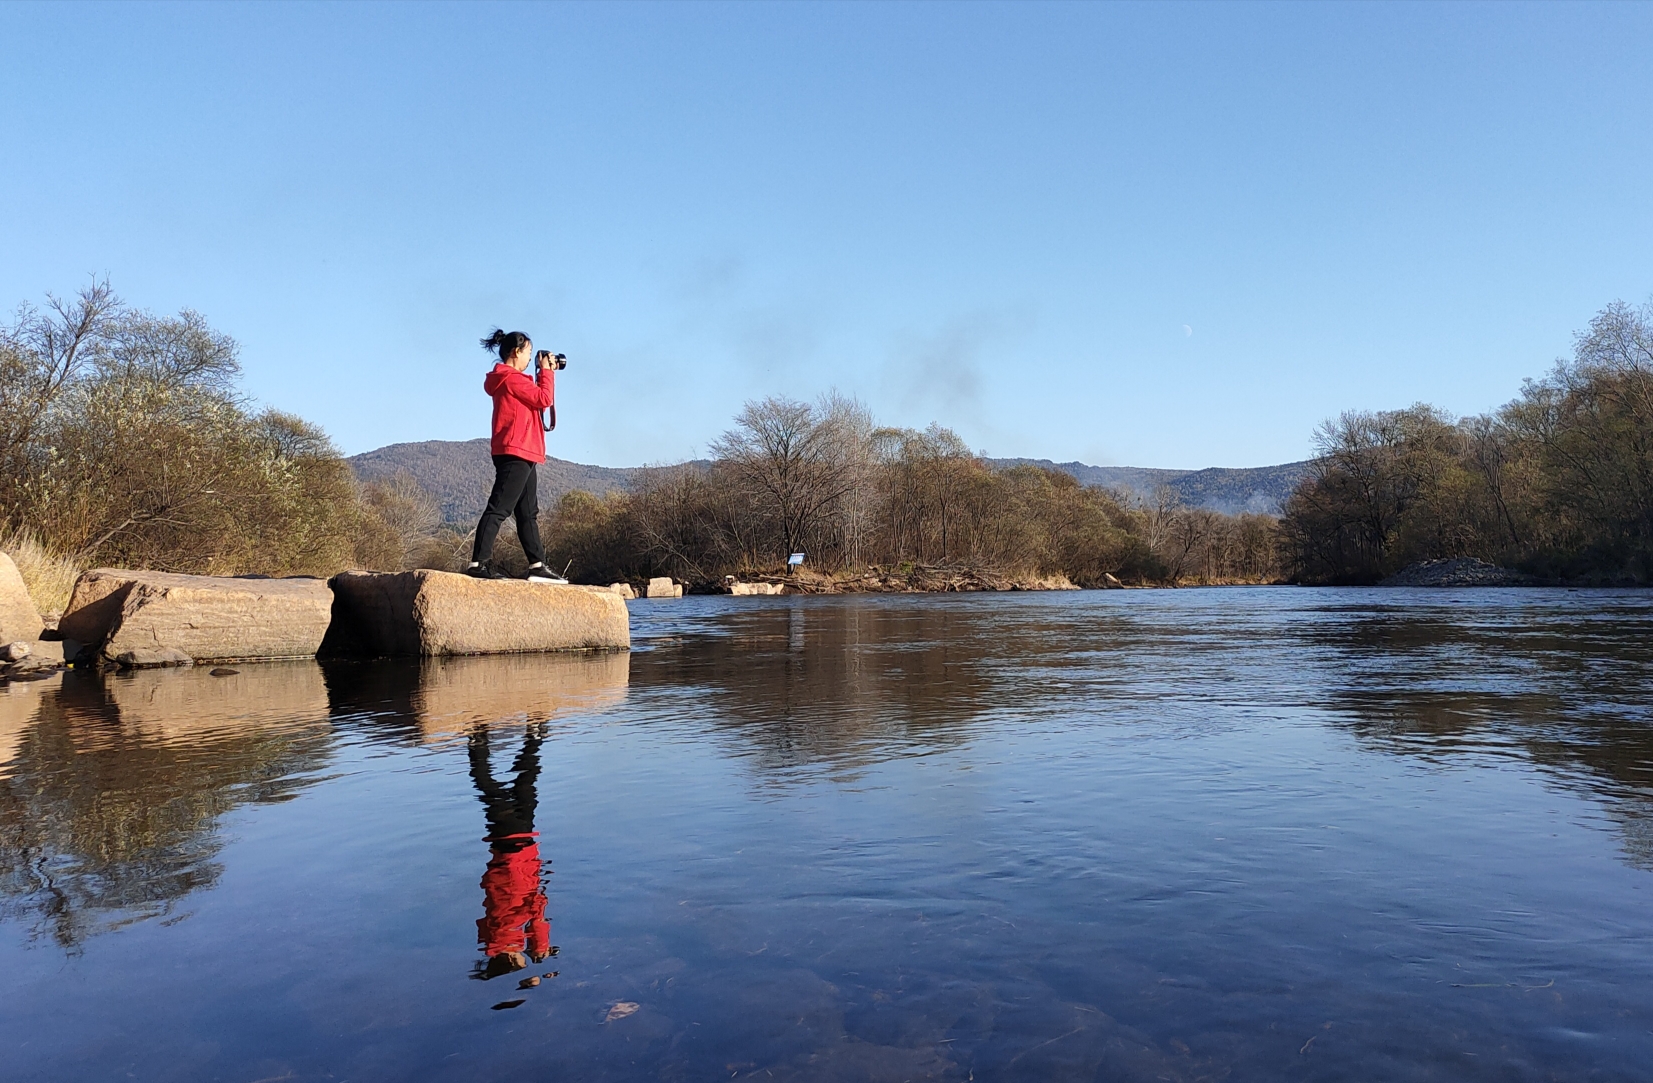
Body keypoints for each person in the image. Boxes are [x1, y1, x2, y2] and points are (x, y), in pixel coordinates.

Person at [467, 328, 566, 581]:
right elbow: (543, 399)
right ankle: (477, 565)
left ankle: (537, 566)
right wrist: (546, 372)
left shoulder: (513, 380)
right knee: (499, 508)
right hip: (515, 451)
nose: (531, 357)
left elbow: (535, 400)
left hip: (523, 451)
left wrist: (543, 373)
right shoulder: (511, 379)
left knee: (527, 512)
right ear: (516, 352)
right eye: (529, 353)